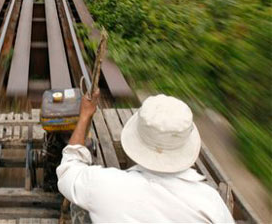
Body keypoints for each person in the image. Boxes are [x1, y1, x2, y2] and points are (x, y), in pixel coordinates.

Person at [57, 93, 234, 223]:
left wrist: (85, 115)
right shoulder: (212, 204)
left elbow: (69, 168)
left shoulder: (102, 185)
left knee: (78, 204)